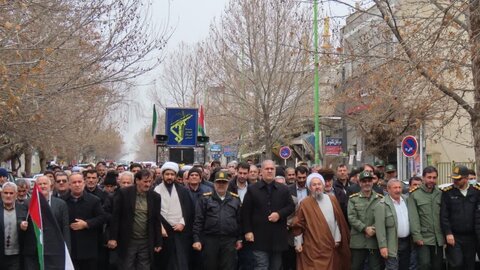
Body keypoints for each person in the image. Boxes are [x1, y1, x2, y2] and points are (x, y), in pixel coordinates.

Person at [241, 160, 295, 270]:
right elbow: (245, 213)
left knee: (276, 266)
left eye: (272, 169)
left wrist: (279, 214)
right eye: (267, 169)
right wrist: (248, 231)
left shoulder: (283, 189)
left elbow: (291, 207)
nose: (269, 171)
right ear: (261, 171)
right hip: (259, 237)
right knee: (261, 266)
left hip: (277, 237)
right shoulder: (252, 189)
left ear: (275, 171)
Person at [292, 173, 350, 270]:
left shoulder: (332, 199)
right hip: (313, 247)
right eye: (314, 185)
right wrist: (298, 243)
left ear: (323, 185)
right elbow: (298, 224)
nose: (317, 187)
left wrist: (337, 238)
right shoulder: (305, 203)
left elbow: (338, 221)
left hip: (331, 245)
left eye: (319, 184)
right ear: (310, 187)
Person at [108, 169, 162, 270]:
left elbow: (156, 220)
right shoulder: (124, 194)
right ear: (137, 180)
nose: (148, 184)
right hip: (128, 240)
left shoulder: (155, 197)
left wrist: (158, 241)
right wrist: (113, 238)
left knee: (144, 267)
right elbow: (116, 217)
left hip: (146, 240)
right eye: (145, 181)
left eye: (150, 181)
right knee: (127, 266)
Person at [192, 171, 242, 270]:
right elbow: (198, 221)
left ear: (228, 183)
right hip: (210, 240)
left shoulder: (235, 199)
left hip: (229, 241)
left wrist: (240, 239)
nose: (221, 185)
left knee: (229, 267)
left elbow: (240, 221)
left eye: (224, 182)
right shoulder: (205, 199)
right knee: (210, 266)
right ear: (214, 183)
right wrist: (196, 239)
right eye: (219, 182)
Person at [23, 175, 71, 270]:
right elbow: (22, 220)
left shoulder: (61, 204)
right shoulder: (28, 203)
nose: (43, 186)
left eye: (45, 184)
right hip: (34, 250)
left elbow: (65, 228)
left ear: (50, 186)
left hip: (54, 249)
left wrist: (67, 249)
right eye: (40, 184)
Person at [153, 162, 194, 270]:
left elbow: (189, 209)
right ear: (162, 175)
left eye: (172, 174)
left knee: (180, 261)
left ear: (175, 176)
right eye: (167, 174)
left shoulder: (183, 190)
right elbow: (153, 212)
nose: (169, 177)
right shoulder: (156, 190)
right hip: (163, 232)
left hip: (180, 231)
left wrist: (182, 222)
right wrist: (160, 227)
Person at [64, 172, 107, 270]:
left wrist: (87, 224)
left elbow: (102, 218)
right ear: (69, 185)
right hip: (70, 248)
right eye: (74, 182)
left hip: (89, 248)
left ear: (84, 183)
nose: (77, 185)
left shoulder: (94, 200)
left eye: (79, 182)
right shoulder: (62, 201)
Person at [440, 165, 479, 270]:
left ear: (466, 179)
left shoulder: (476, 192)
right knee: (456, 264)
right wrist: (448, 233)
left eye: (458, 179)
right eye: (454, 179)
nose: (455, 181)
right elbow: (444, 215)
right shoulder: (448, 193)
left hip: (471, 237)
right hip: (455, 237)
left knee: (469, 265)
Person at [407, 166, 444, 270]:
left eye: (434, 177)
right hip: (423, 238)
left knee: (438, 266)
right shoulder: (415, 195)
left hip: (438, 238)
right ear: (423, 178)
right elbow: (413, 217)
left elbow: (444, 215)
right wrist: (417, 236)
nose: (431, 180)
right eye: (429, 177)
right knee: (424, 264)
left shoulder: (440, 193)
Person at [348, 171, 384, 270]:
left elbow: (383, 218)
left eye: (369, 181)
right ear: (359, 183)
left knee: (375, 267)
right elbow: (351, 217)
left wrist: (373, 229)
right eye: (364, 181)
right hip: (358, 241)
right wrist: (364, 228)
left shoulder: (380, 199)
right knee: (356, 267)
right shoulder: (353, 199)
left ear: (372, 182)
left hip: (374, 240)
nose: (367, 183)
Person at [374, 179, 411, 270]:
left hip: (407, 242)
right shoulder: (381, 205)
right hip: (392, 244)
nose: (398, 190)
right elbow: (380, 228)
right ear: (388, 189)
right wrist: (383, 247)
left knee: (405, 267)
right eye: (395, 188)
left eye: (399, 187)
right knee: (392, 268)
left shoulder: (406, 200)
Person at [0, 182, 28, 270]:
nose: (8, 196)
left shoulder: (23, 209)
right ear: (1, 194)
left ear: (16, 195)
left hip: (16, 256)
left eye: (11, 193)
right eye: (6, 193)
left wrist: (24, 227)